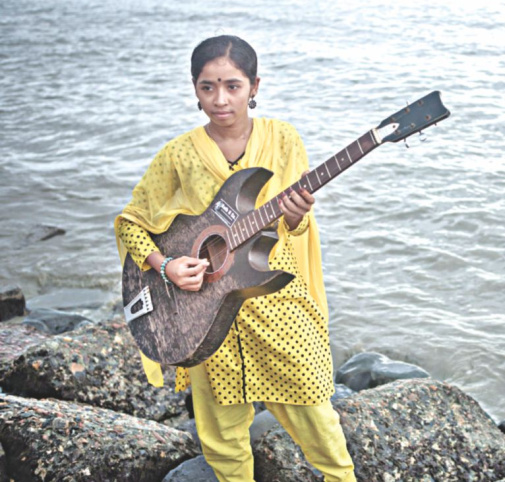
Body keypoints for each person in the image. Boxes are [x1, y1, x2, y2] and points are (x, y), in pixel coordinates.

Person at [114, 35, 356, 482]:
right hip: (204, 315)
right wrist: (165, 265)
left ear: (254, 85)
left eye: (232, 86)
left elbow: (293, 231)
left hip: (277, 305)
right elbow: (132, 222)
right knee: (223, 442)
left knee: (319, 423)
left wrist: (298, 218)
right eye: (207, 87)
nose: (219, 99)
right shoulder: (178, 155)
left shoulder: (282, 139)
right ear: (194, 89)